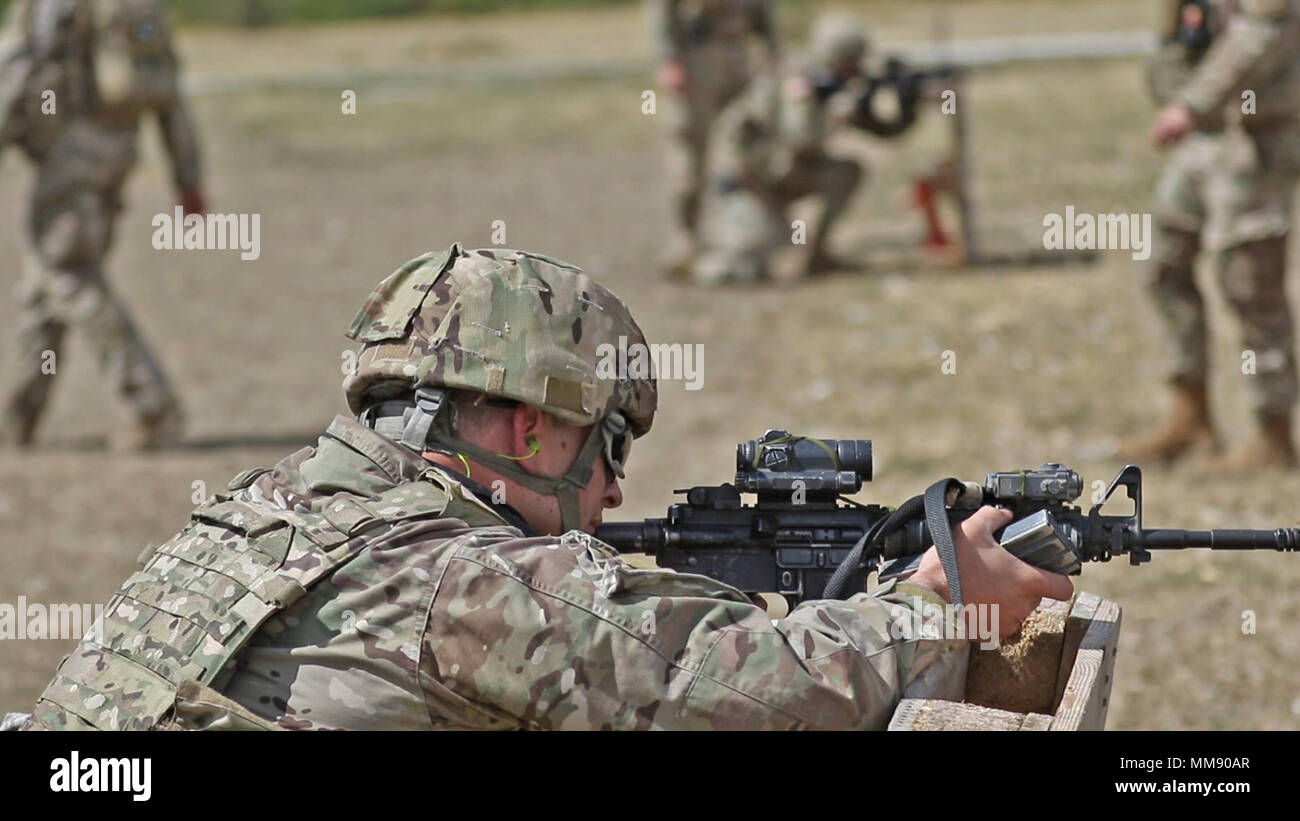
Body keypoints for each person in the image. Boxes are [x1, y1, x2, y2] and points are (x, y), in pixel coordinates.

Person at [22, 243, 1071, 731]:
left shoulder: (254, 509)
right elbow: (755, 688)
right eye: (609, 446)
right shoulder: (457, 577)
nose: (613, 493)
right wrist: (941, 594)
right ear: (532, 427)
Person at [0, 0, 203, 450]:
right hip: (116, 156)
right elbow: (170, 98)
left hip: (68, 164)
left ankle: (154, 408)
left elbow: (16, 77)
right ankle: (18, 418)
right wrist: (187, 175)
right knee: (46, 284)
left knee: (70, 276)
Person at [1120, 0, 1300, 469]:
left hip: (1256, 137)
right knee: (1163, 264)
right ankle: (1191, 415)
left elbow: (1264, 34)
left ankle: (1273, 432)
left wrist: (1190, 104)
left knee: (1249, 284)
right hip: (1206, 138)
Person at [691, 15, 924, 285]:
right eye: (847, 65)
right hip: (753, 178)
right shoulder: (796, 80)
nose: (852, 72)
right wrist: (834, 116)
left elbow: (883, 132)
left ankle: (815, 256)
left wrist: (909, 107)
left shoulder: (838, 86)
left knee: (846, 172)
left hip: (790, 170)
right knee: (739, 269)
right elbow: (798, 138)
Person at [653, 0, 780, 278]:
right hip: (695, 56)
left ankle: (741, 243)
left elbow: (765, 13)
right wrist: (669, 59)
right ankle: (686, 241)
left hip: (740, 55)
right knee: (689, 154)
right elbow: (663, 9)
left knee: (744, 148)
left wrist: (772, 54)